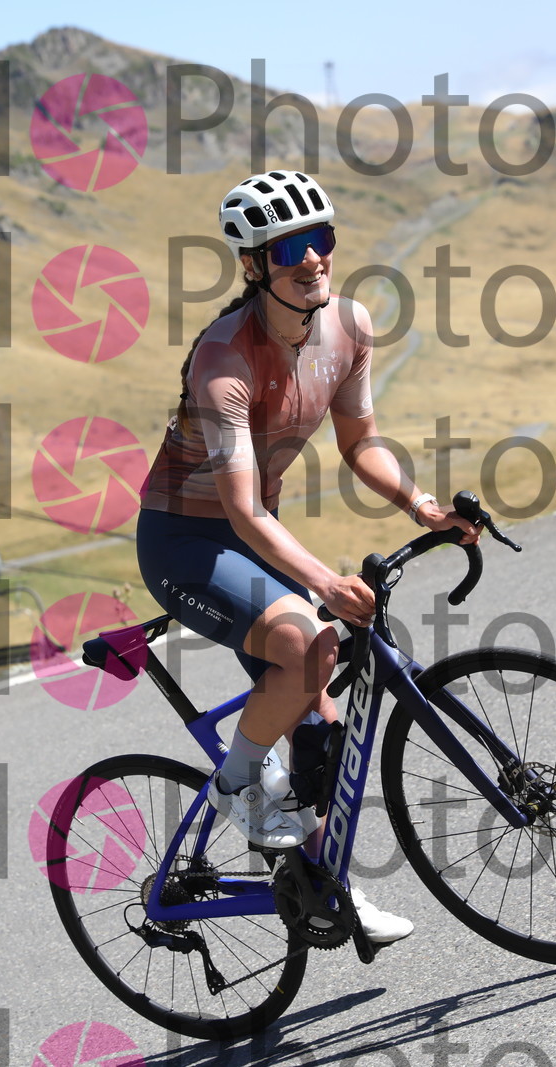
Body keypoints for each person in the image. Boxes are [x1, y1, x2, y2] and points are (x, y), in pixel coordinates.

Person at [135, 171, 478, 943]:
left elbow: (362, 443)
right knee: (308, 642)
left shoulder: (349, 326)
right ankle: (237, 785)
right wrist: (324, 579)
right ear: (254, 265)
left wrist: (424, 506)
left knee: (319, 726)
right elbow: (241, 507)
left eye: (321, 239)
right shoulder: (224, 360)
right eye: (290, 248)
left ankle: (327, 891)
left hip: (255, 535)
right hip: (185, 542)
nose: (313, 259)